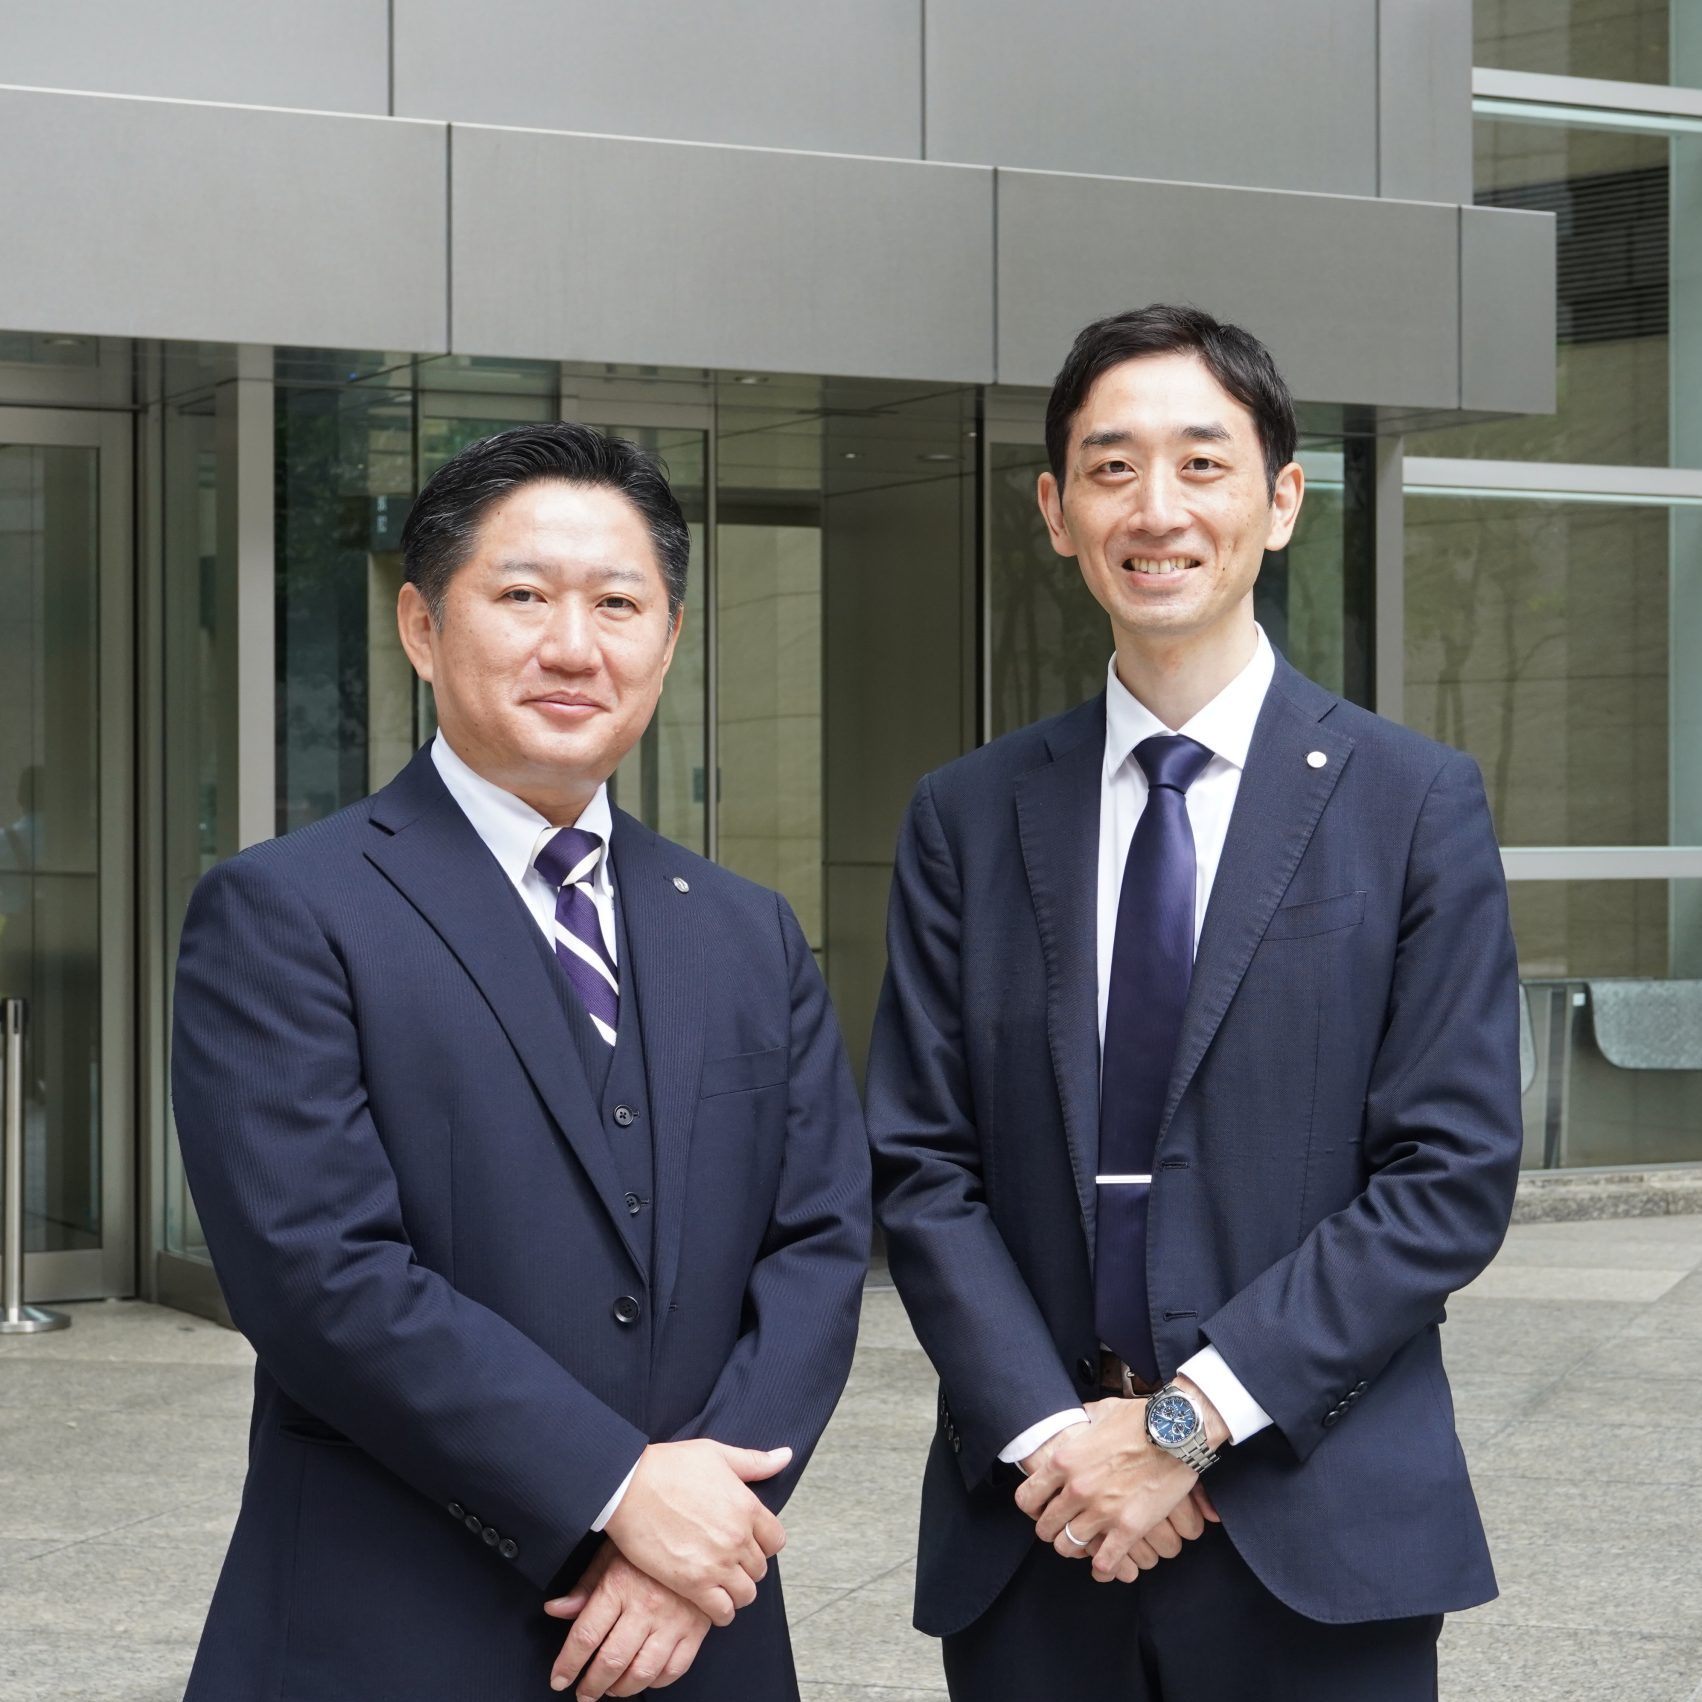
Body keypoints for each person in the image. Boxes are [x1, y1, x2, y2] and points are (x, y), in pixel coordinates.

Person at [867, 304, 1522, 1699]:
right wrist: (1061, 1441)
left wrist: (1182, 1425)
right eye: (1110, 467)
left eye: (1201, 463)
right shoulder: (966, 816)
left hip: (1313, 1524)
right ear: (1055, 513)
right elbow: (921, 1165)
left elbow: (1447, 1172)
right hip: (1037, 1527)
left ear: (1280, 502)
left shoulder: (1411, 803)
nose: (1154, 508)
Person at [172, 423, 871, 1702]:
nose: (573, 645)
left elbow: (818, 1243)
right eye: (523, 596)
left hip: (695, 1634)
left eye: (619, 604)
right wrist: (615, 1491)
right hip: (391, 1628)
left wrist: (696, 1529)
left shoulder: (745, 928)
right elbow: (320, 1274)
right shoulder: (286, 910)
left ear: (669, 638)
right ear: (421, 625)